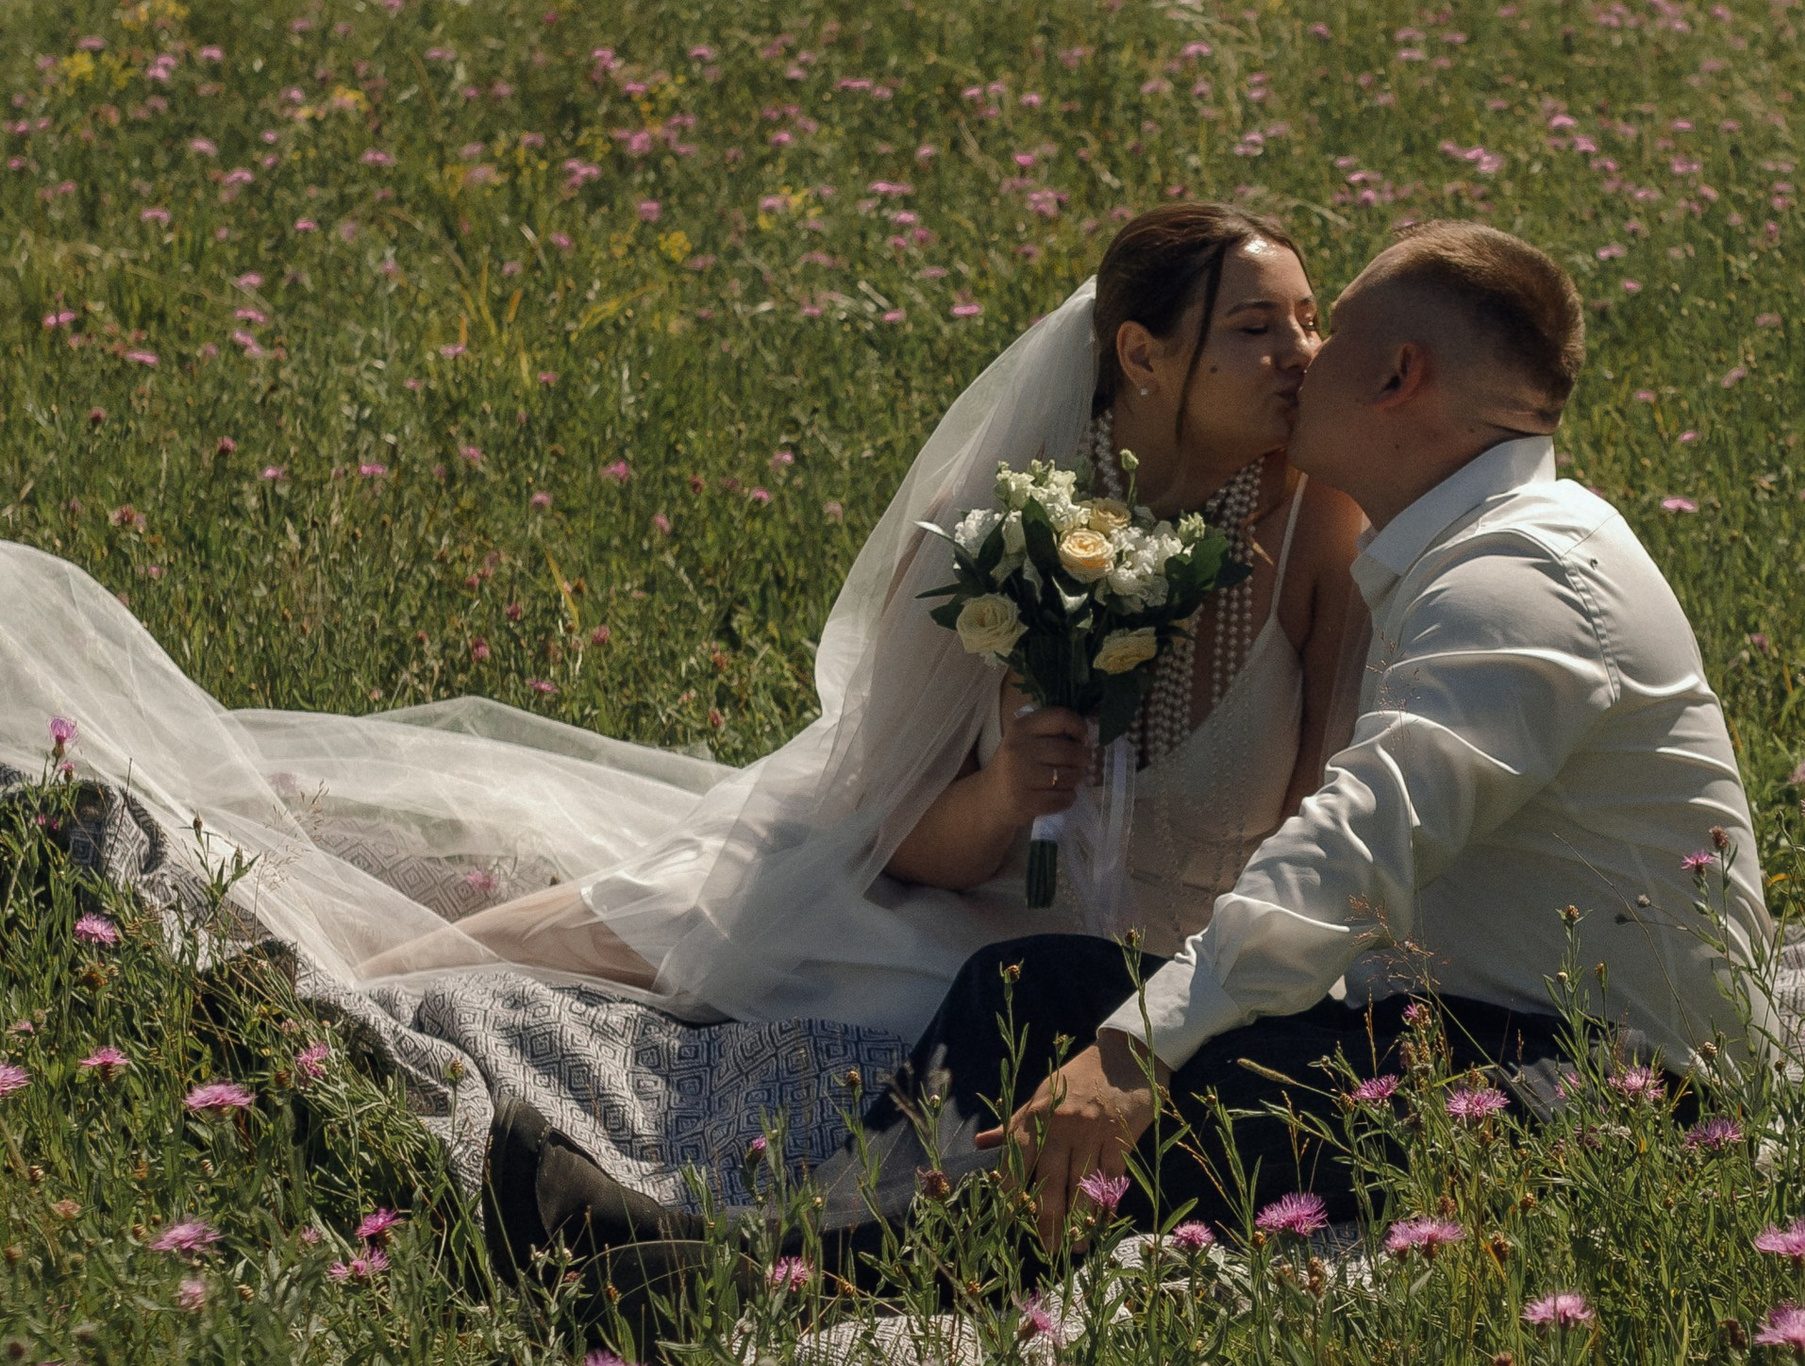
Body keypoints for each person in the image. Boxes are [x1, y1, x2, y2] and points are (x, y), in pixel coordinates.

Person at [0, 208, 1363, 1045]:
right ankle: (256, 1007)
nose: (1308, 352)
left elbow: (1330, 817)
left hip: (1191, 968)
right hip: (945, 905)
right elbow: (892, 826)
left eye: (1311, 318)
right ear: (1139, 353)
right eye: (1261, 327)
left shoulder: (1322, 528)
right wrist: (1010, 794)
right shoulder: (996, 533)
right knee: (594, 954)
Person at [901, 221, 1773, 1244]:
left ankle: (818, 1259)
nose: (1303, 360)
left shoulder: (1527, 577)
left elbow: (1353, 847)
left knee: (1196, 1099)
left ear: (1399, 373)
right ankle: (876, 1195)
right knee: (1031, 983)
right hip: (1453, 1020)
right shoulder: (1451, 548)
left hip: (1614, 1080)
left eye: (1331, 331)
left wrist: (1137, 1047)